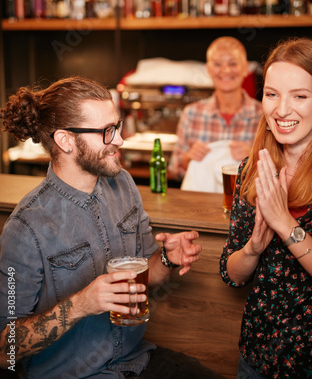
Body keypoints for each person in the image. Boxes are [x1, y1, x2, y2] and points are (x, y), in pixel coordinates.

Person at [0, 76, 225, 379]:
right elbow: (5, 350)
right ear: (66, 140)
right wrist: (82, 304)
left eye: (117, 127)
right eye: (107, 131)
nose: (119, 140)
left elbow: (149, 274)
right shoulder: (25, 227)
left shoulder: (123, 184)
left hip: (134, 361)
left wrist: (168, 258)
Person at [220, 37, 312, 378]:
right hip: (257, 358)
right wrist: (253, 248)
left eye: (299, 96)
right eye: (272, 94)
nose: (282, 110)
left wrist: (285, 225)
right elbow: (231, 275)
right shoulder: (253, 169)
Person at [168, 36, 262, 182]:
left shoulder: (263, 116)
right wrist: (187, 160)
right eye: (218, 64)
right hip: (200, 202)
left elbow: (279, 170)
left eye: (233, 63)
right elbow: (174, 170)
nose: (225, 70)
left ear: (246, 68)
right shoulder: (191, 114)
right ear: (208, 69)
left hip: (247, 203)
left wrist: (254, 158)